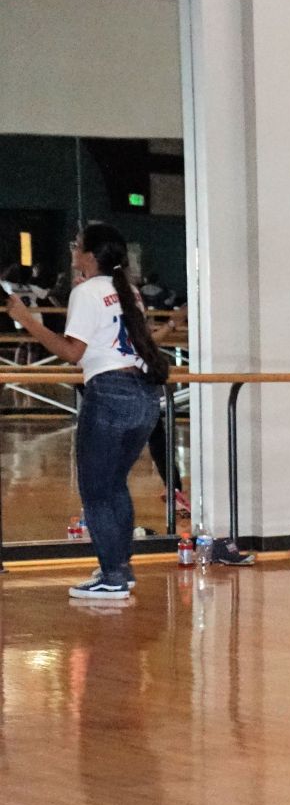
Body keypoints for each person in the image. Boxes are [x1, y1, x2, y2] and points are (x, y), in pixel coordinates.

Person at [5, 223, 172, 600]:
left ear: (90, 256)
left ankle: (113, 575)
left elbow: (71, 352)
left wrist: (28, 320)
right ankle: (119, 568)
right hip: (143, 396)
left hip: (109, 393)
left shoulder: (87, 291)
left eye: (76, 246)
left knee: (96, 489)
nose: (72, 250)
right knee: (114, 485)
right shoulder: (126, 291)